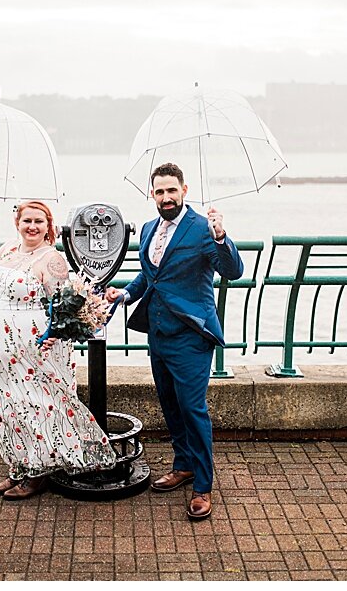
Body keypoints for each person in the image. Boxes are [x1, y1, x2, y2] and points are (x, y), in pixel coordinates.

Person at [104, 163, 243, 520]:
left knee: (193, 409)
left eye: (171, 190)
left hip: (192, 334)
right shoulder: (150, 228)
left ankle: (202, 485)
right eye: (159, 191)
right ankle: (182, 465)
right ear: (152, 194)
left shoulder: (203, 228)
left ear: (184, 190)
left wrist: (221, 236)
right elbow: (151, 275)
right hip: (159, 331)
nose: (166, 197)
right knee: (170, 403)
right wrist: (126, 295)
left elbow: (232, 271)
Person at [0, 200, 115, 500]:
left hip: (33, 348)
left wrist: (53, 337)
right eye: (27, 221)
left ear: (48, 225)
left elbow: (65, 307)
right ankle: (18, 467)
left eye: (39, 221)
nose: (32, 227)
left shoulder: (52, 260)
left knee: (33, 405)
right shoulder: (8, 249)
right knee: (4, 406)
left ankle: (38, 473)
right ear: (18, 223)